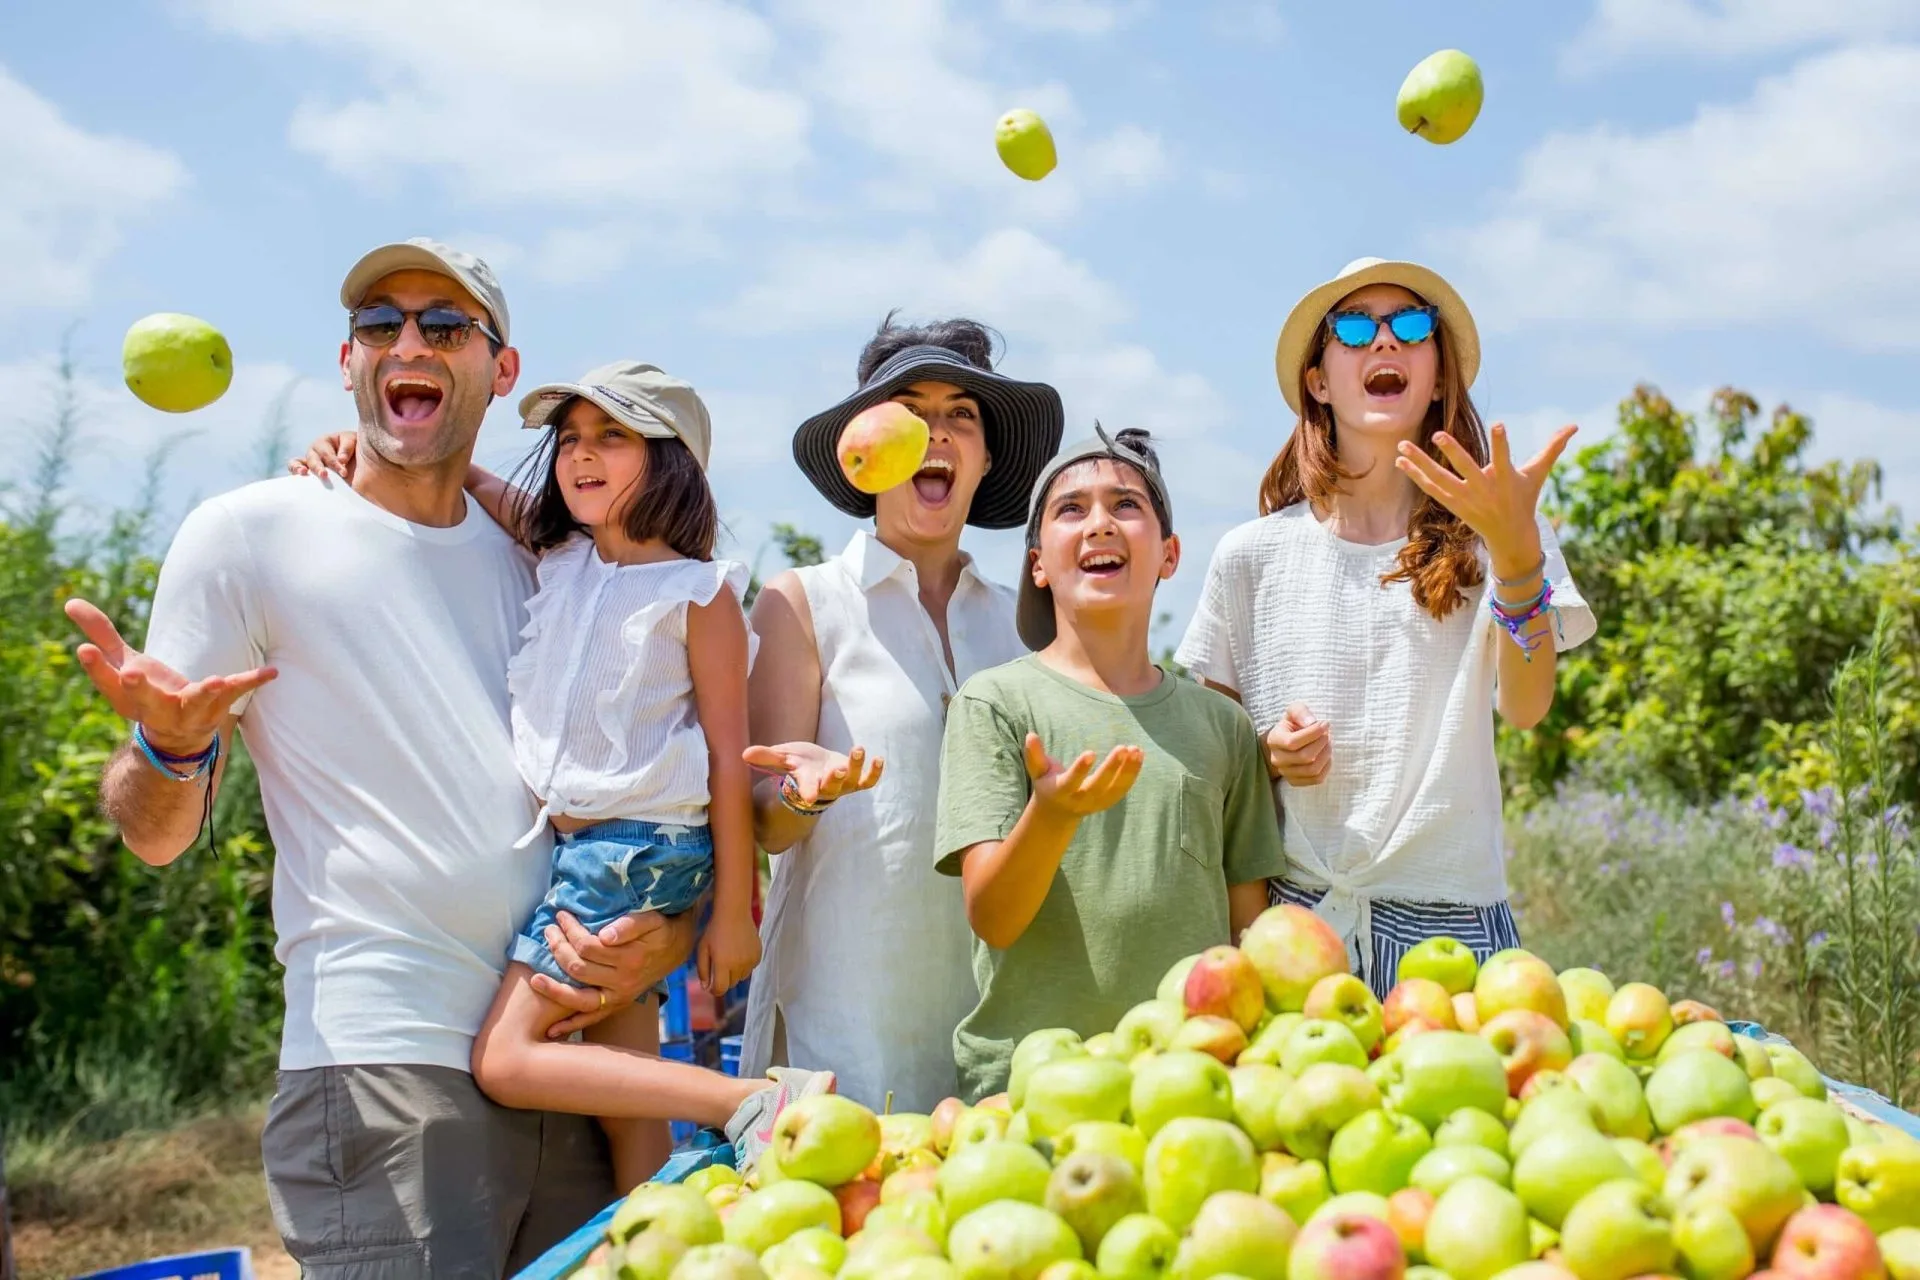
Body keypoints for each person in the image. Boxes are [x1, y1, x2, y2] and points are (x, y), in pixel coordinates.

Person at [65, 239, 690, 1277]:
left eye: (445, 326)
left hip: (574, 1059)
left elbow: (638, 781)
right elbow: (156, 837)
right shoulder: (250, 534)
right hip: (385, 1064)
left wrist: (662, 937)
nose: (409, 341)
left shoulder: (550, 565)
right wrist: (170, 748)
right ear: (348, 360)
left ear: (502, 369)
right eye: (379, 324)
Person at [293, 362, 836, 1191]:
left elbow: (731, 757)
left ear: (673, 460)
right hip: (593, 850)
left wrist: (733, 910)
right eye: (570, 440)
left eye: (612, 437)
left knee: (508, 1059)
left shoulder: (696, 594)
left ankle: (753, 1100)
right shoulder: (561, 554)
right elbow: (454, 475)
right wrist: (349, 446)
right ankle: (653, 1236)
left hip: (636, 850)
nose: (581, 455)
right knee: (628, 1095)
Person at [1176, 256, 1597, 998]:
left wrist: (1517, 553)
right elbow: (1212, 763)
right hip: (1289, 929)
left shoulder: (1498, 532)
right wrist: (1266, 754)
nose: (1385, 343)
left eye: (1410, 325)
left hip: (1457, 929)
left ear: (1437, 376)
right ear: (1318, 379)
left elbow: (1527, 707)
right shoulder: (1251, 556)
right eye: (1353, 327)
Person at [742, 316, 1065, 1113]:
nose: (937, 433)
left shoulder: (1028, 627)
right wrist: (801, 793)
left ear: (986, 459)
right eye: (911, 412)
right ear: (867, 448)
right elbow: (764, 822)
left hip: (997, 1023)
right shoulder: (803, 602)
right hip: (842, 1021)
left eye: (962, 415)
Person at [934, 427, 1284, 1101]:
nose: (1099, 523)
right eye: (1071, 509)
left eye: (1126, 505)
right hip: (1031, 1089)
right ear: (1038, 563)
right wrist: (1051, 814)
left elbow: (1249, 935)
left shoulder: (1222, 727)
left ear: (1170, 554)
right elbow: (994, 917)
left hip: (1190, 1083)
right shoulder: (995, 704)